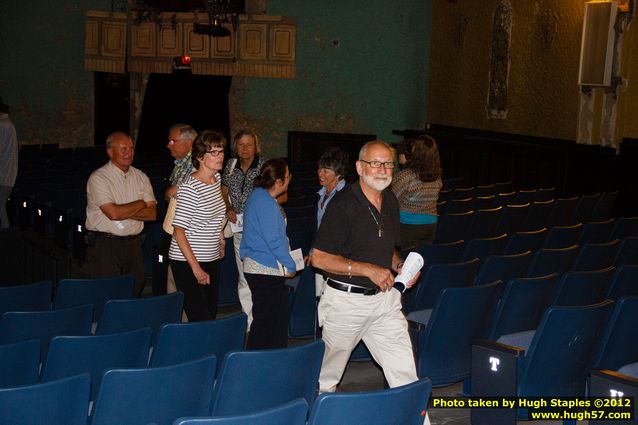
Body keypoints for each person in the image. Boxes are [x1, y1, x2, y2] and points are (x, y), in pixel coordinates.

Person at [311, 140, 421, 393]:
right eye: (375, 163)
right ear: (360, 168)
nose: (382, 169)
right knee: (326, 378)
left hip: (384, 300)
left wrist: (400, 265)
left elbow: (387, 245)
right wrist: (368, 269)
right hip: (346, 303)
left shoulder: (391, 201)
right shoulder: (342, 205)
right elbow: (319, 258)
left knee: (405, 374)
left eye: (388, 164)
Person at [85, 131, 157, 297]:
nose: (129, 152)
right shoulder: (99, 178)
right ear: (110, 152)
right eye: (123, 148)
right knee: (108, 292)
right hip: (106, 245)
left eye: (131, 148)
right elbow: (113, 213)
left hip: (134, 244)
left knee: (135, 286)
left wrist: (122, 210)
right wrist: (140, 204)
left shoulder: (140, 176)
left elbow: (152, 213)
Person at [168, 130, 227, 321]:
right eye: (214, 152)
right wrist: (196, 268)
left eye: (221, 151)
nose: (220, 157)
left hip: (211, 256)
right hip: (187, 261)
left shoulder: (216, 179)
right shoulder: (190, 188)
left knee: (210, 312)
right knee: (199, 317)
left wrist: (220, 238)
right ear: (200, 157)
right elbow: (179, 231)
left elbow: (217, 214)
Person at [240, 158, 296, 349]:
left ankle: (273, 360)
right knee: (264, 325)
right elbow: (274, 241)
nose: (290, 180)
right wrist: (290, 264)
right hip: (264, 269)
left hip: (261, 268)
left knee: (274, 321)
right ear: (279, 182)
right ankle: (253, 365)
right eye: (288, 176)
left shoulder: (259, 197)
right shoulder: (265, 203)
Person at [221, 130, 267, 329]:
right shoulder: (231, 166)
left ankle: (263, 318)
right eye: (241, 145)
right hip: (239, 229)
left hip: (260, 230)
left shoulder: (265, 166)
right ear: (235, 147)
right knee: (243, 276)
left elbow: (281, 195)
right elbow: (223, 190)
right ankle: (249, 322)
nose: (245, 149)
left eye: (249, 144)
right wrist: (229, 207)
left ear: (256, 146)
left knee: (260, 274)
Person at [158, 123, 196, 297]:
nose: (168, 145)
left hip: (186, 234)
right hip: (177, 230)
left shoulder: (195, 164)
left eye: (173, 141)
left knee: (181, 283)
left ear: (189, 142)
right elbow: (170, 193)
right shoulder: (181, 163)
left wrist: (170, 192)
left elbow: (175, 194)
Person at [391, 135, 443, 250]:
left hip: (408, 227)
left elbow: (390, 200)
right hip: (430, 225)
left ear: (418, 152)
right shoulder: (437, 176)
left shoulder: (406, 175)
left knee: (405, 262)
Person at [310, 146, 349, 297]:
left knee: (332, 298)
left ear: (338, 174)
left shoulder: (347, 196)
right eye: (319, 169)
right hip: (321, 253)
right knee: (319, 297)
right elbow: (318, 227)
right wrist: (313, 250)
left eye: (325, 170)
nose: (320, 173)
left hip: (337, 256)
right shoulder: (320, 194)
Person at [0, 97, 18, 229]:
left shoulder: (2, 125)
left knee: (0, 206)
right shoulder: (8, 123)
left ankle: (6, 236)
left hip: (3, 174)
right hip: (8, 173)